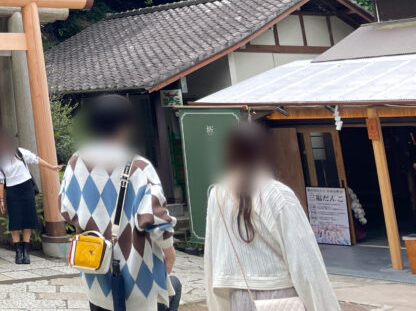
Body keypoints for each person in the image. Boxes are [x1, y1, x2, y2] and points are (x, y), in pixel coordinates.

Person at [60, 94, 181, 311]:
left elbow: (66, 209)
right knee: (174, 288)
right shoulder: (139, 167)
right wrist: (169, 252)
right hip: (138, 279)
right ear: (126, 126)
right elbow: (155, 221)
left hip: (96, 273)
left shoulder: (75, 161)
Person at [204, 121, 341, 311]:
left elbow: (213, 254)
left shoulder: (217, 194)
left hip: (239, 298)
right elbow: (306, 263)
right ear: (265, 152)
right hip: (282, 296)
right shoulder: (278, 194)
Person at [0, 133, 62, 264]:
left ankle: (26, 251)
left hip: (26, 188)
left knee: (28, 219)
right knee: (14, 222)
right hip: (12, 190)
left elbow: (36, 159)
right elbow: (0, 181)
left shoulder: (21, 153)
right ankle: (18, 252)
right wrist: (2, 200)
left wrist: (52, 167)